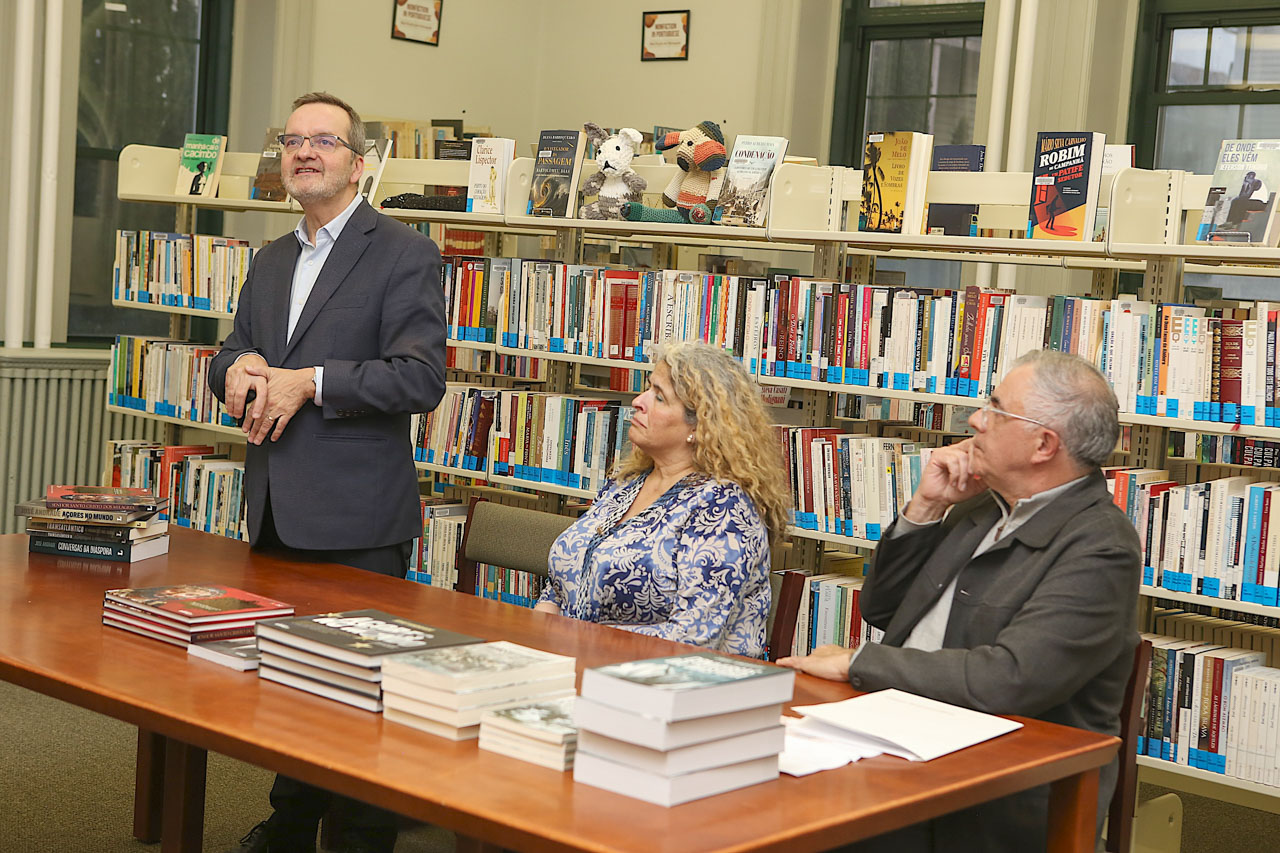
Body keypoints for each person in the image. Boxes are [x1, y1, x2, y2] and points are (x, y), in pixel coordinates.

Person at [779, 349, 1141, 853]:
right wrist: (926, 507)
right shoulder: (980, 509)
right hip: (905, 738)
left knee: (789, 828)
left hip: (998, 792)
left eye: (996, 409)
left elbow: (1009, 680)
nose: (975, 420)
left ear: (1043, 444)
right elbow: (884, 609)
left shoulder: (1101, 546)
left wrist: (858, 663)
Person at [209, 92, 445, 853]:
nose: (305, 152)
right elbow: (233, 353)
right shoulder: (272, 259)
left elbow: (419, 379)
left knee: (359, 692)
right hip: (276, 509)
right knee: (292, 681)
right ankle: (290, 822)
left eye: (324, 141)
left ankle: (362, 837)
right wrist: (233, 370)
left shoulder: (404, 253)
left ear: (359, 163)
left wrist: (309, 381)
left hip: (358, 519)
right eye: (292, 140)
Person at [533, 341, 790, 658]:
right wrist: (540, 630)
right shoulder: (625, 483)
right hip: (580, 662)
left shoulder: (724, 509)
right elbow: (565, 581)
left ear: (700, 426)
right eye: (647, 388)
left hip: (670, 679)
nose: (638, 402)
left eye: (659, 397)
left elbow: (694, 638)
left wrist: (574, 640)